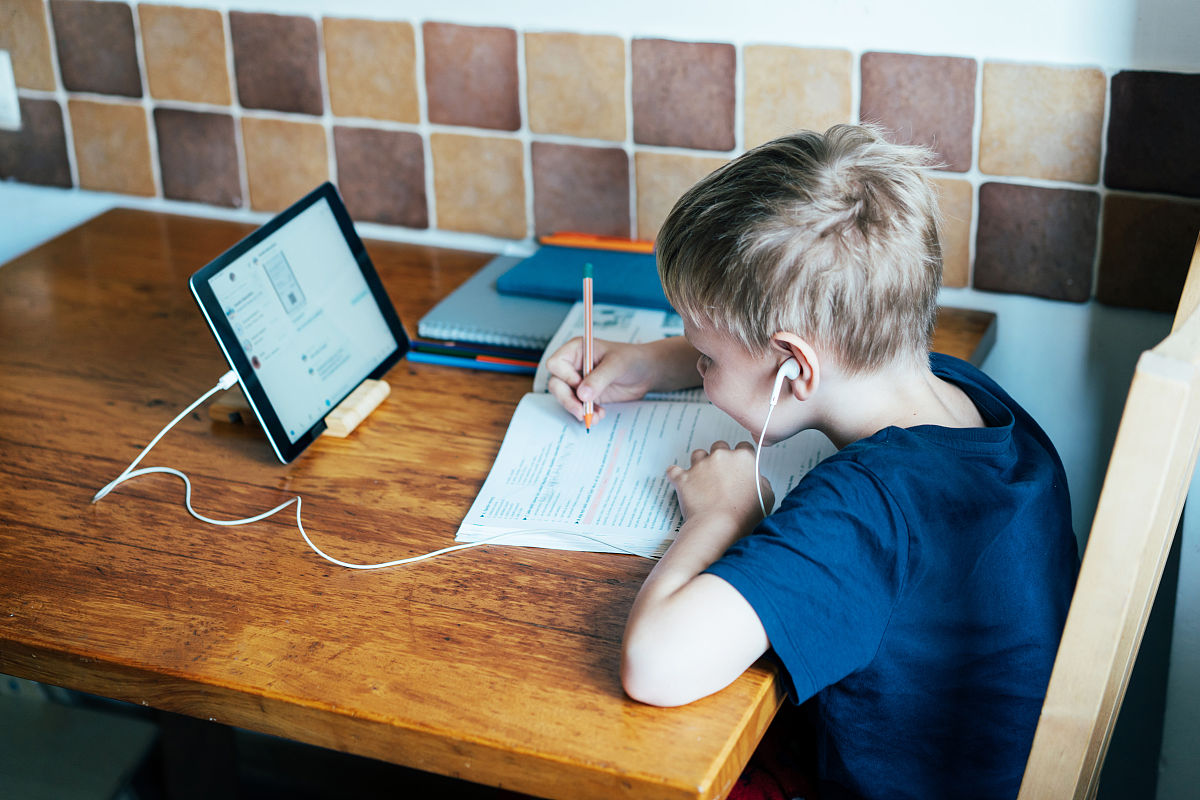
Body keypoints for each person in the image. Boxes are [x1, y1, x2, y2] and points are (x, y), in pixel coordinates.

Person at [544, 124, 1080, 799]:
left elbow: (654, 665)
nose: (698, 363)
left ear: (795, 367)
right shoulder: (967, 397)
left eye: (705, 356)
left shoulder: (866, 511)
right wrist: (655, 360)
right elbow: (805, 358)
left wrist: (722, 511)